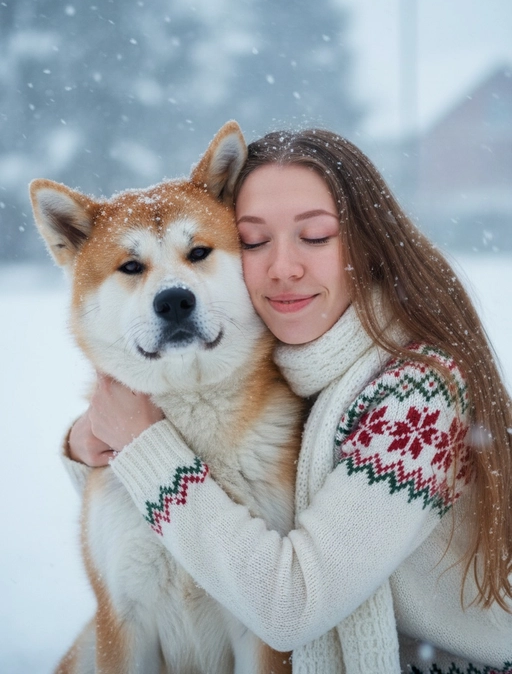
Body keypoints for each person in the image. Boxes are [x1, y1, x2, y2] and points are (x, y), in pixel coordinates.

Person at [65, 129, 512, 673]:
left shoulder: (416, 399)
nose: (282, 267)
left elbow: (290, 608)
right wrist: (92, 445)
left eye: (316, 236)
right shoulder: (295, 361)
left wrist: (141, 444)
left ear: (370, 244)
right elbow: (170, 535)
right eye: (254, 240)